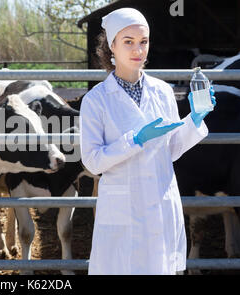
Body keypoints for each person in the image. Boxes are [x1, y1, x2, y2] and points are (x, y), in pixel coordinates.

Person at [80, 7, 216, 275]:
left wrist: (195, 119)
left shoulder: (163, 92)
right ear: (112, 46)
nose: (138, 50)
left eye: (143, 42)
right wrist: (136, 139)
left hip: (161, 203)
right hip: (122, 209)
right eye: (128, 42)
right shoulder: (96, 100)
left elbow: (172, 149)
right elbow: (93, 162)